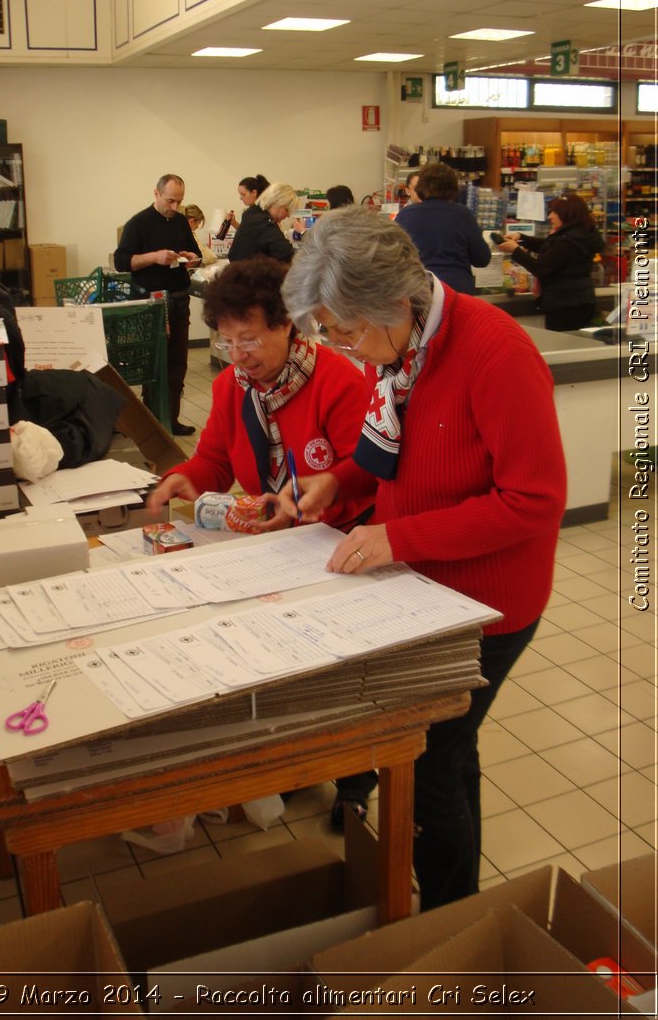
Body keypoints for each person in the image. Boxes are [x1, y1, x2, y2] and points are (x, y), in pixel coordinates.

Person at [272, 208, 567, 910]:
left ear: (396, 303)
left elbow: (534, 500)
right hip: (427, 590)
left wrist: (398, 539)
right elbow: (388, 451)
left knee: (428, 762)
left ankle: (446, 921)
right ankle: (457, 906)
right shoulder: (401, 346)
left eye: (346, 331)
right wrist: (338, 482)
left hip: (489, 603)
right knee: (450, 753)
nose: (341, 347)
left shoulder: (495, 352)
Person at [147, 255, 377, 828]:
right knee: (292, 671)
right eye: (226, 342)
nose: (237, 354)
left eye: (249, 339)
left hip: (343, 544)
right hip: (278, 547)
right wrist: (187, 478)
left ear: (289, 324)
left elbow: (370, 470)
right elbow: (216, 459)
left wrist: (323, 493)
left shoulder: (339, 380)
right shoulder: (233, 388)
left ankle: (356, 780)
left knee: (344, 673)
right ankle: (301, 766)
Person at [114, 174, 201, 436]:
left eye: (179, 202)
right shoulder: (138, 223)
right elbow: (122, 262)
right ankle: (152, 421)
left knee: (177, 363)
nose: (175, 207)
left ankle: (171, 419)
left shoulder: (181, 222)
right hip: (149, 303)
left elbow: (194, 253)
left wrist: (190, 257)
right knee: (153, 364)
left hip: (178, 299)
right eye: (170, 201)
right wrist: (154, 257)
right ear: (156, 194)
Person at [498, 193, 605, 331]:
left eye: (555, 212)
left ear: (567, 214)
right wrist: (521, 238)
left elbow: (540, 268)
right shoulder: (578, 233)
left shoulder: (568, 241)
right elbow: (551, 247)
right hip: (578, 301)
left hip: (566, 306)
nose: (550, 216)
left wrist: (515, 250)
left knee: (563, 346)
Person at [396, 161, 490, 294]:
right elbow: (482, 259)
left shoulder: (405, 215)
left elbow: (396, 258)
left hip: (421, 290)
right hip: (458, 291)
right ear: (453, 187)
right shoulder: (463, 214)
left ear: (420, 187)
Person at [228, 182, 296, 264]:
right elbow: (286, 254)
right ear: (277, 203)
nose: (288, 215)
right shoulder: (264, 223)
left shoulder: (251, 213)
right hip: (253, 274)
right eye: (287, 209)